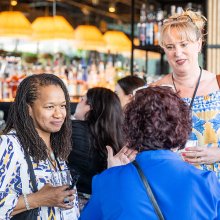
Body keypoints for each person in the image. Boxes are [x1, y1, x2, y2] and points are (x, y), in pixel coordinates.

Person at [80, 86, 220, 220]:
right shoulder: (206, 181)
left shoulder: (107, 180)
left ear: (130, 128)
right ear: (182, 128)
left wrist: (114, 173)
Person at [152, 10, 220, 180]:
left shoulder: (218, 84)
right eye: (170, 47)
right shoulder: (155, 91)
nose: (177, 52)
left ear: (198, 44)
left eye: (184, 44)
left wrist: (218, 154)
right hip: (173, 184)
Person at [0, 74, 79, 219]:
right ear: (28, 109)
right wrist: (38, 199)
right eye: (50, 107)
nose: (59, 114)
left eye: (62, 106)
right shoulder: (10, 145)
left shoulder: (55, 146)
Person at [68, 87, 129, 209]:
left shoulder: (71, 131)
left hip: (73, 204)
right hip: (104, 203)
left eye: (82, 99)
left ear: (90, 106)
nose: (78, 103)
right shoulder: (121, 137)